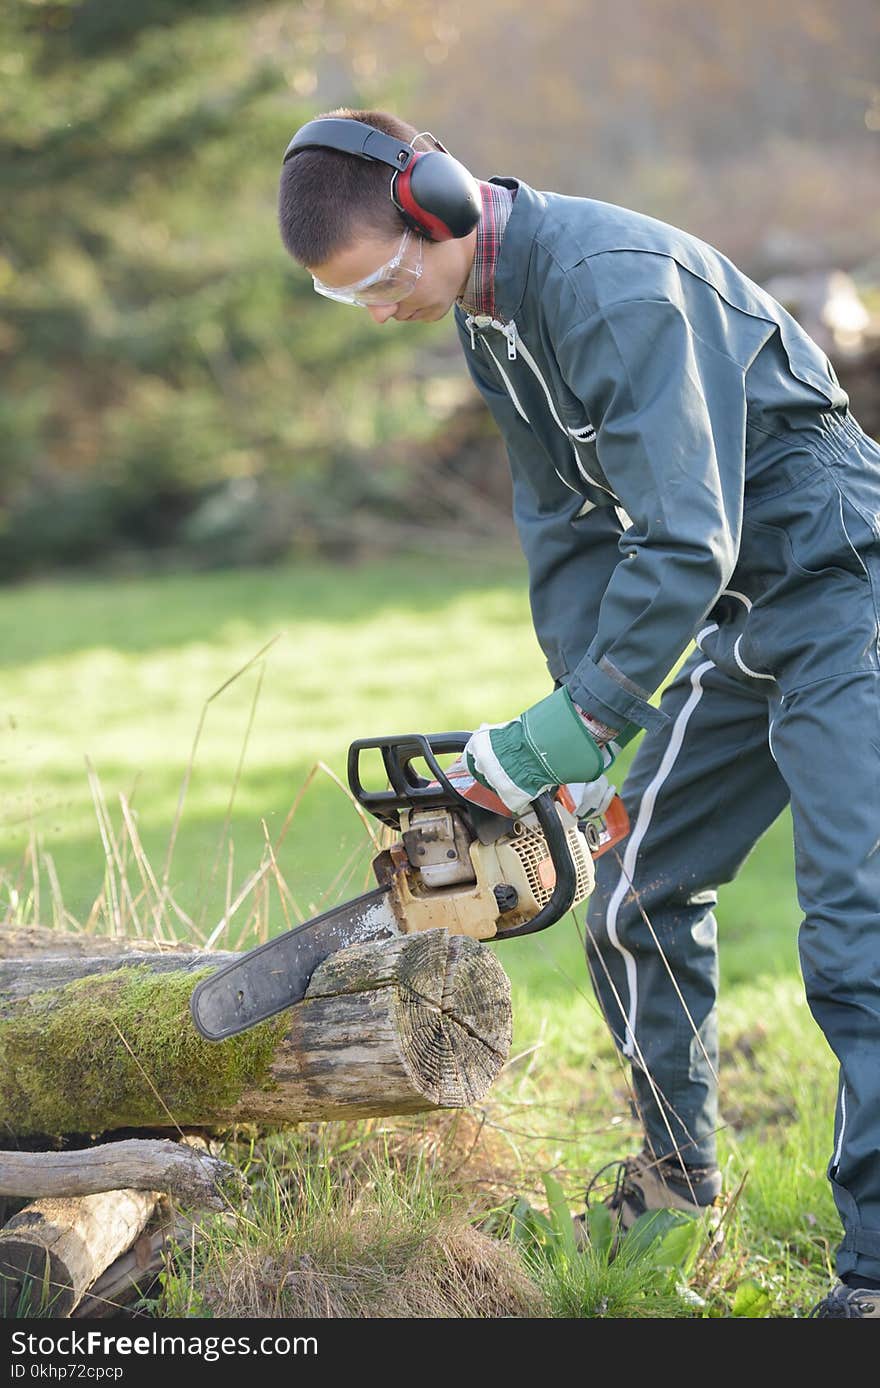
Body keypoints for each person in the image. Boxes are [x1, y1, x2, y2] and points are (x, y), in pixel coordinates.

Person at [276, 107, 880, 1318]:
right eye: (353, 302)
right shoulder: (493, 324)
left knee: (856, 929)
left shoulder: (611, 288)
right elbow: (565, 532)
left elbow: (682, 536)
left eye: (387, 278)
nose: (385, 307)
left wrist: (579, 719)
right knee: (639, 893)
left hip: (844, 590)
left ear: (437, 205)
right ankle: (672, 1175)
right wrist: (576, 732)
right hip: (742, 618)